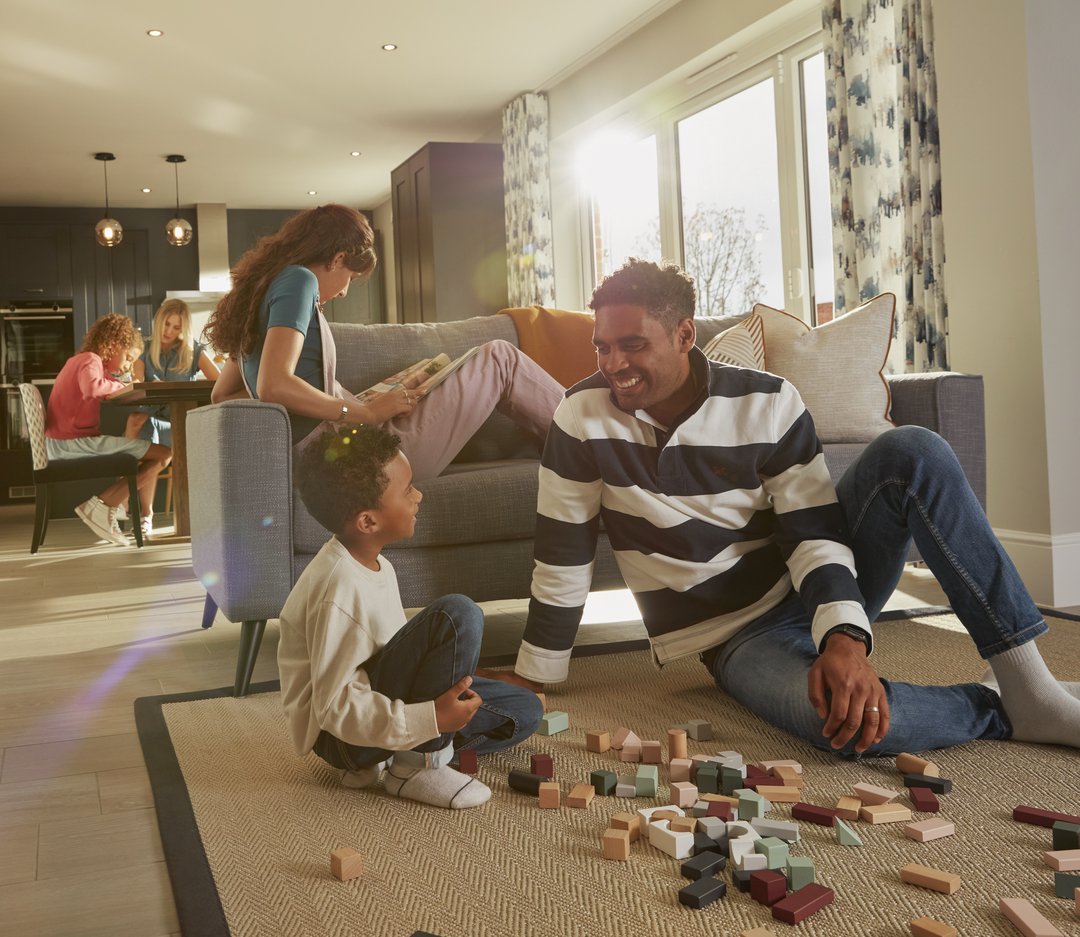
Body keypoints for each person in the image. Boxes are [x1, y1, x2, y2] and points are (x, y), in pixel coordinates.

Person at [482, 258, 1080, 757]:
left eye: (632, 345)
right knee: (849, 729)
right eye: (602, 347)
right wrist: (537, 673)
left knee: (913, 450)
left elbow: (813, 531)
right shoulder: (579, 417)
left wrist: (844, 637)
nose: (613, 365)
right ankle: (998, 709)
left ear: (685, 336)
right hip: (737, 636)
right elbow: (564, 553)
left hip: (819, 582)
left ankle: (1032, 689)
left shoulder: (769, 402)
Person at [278, 423, 544, 808]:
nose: (418, 495)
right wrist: (431, 718)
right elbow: (335, 708)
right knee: (458, 614)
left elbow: (395, 653)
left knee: (524, 710)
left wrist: (444, 703)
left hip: (375, 713)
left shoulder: (378, 564)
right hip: (342, 739)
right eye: (407, 491)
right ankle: (417, 766)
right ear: (368, 521)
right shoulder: (336, 589)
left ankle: (399, 752)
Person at [205, 204, 563, 477]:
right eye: (351, 276)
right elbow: (273, 386)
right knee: (500, 357)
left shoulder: (258, 297)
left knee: (455, 370)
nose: (345, 291)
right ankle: (601, 440)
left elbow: (224, 394)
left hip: (339, 447)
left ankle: (579, 448)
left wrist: (363, 402)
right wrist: (363, 412)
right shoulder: (300, 281)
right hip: (354, 457)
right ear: (337, 259)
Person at [45, 313, 172, 546]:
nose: (127, 365)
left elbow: (99, 385)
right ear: (114, 345)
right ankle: (104, 506)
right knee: (164, 454)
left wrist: (123, 383)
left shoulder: (84, 361)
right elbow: (93, 389)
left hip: (65, 441)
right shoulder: (89, 359)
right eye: (128, 357)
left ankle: (105, 507)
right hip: (73, 443)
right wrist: (127, 385)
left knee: (159, 455)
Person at [124, 298, 220, 448]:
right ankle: (128, 468)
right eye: (166, 324)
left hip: (181, 417)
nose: (168, 331)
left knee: (147, 433)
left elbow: (220, 383)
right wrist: (150, 386)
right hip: (150, 416)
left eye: (176, 327)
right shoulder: (144, 348)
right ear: (159, 320)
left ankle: (134, 466)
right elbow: (136, 383)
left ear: (183, 329)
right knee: (137, 420)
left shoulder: (193, 350)